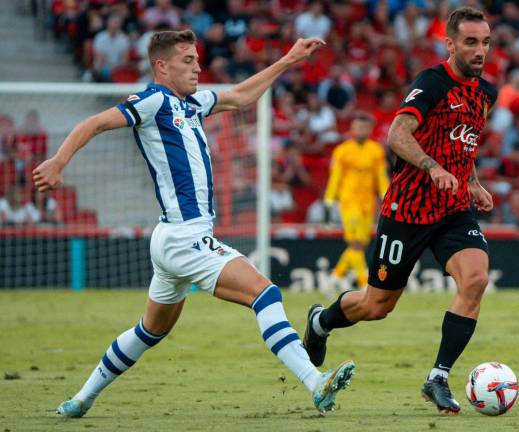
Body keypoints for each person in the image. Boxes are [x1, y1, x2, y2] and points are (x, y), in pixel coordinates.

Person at [32, 29, 354, 419]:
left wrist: (289, 60)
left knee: (151, 330)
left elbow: (239, 96)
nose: (197, 67)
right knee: (266, 295)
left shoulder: (192, 104)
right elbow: (95, 123)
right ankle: (314, 381)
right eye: (188, 61)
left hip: (173, 239)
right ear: (161, 66)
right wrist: (58, 161)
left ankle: (81, 400)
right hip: (185, 237)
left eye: (198, 60)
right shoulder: (152, 100)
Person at [302, 7, 496, 414]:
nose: (481, 51)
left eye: (486, 42)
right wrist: (432, 167)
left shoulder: (485, 93)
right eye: (471, 42)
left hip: (454, 210)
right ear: (450, 44)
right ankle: (320, 322)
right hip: (407, 211)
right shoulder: (432, 82)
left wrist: (472, 180)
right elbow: (396, 134)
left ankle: (438, 377)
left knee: (475, 279)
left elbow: (464, 141)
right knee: (376, 306)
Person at [323, 113, 389, 294]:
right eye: (358, 127)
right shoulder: (342, 151)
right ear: (352, 129)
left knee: (360, 244)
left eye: (365, 127)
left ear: (370, 130)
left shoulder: (376, 150)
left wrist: (386, 196)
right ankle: (364, 283)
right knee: (356, 244)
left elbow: (381, 177)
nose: (361, 130)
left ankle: (334, 278)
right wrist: (329, 200)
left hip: (368, 204)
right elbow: (335, 178)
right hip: (349, 202)